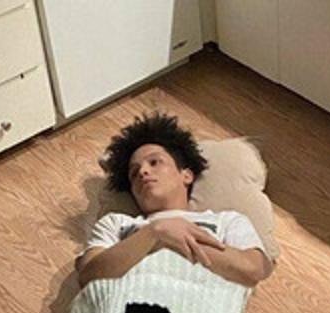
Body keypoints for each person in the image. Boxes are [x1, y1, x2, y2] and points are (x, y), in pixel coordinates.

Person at [77, 112, 273, 287]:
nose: (143, 171)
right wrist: (155, 233)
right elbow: (89, 276)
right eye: (134, 173)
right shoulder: (116, 223)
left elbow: (253, 270)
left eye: (154, 162)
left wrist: (172, 241)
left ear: (186, 175)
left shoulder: (226, 221)